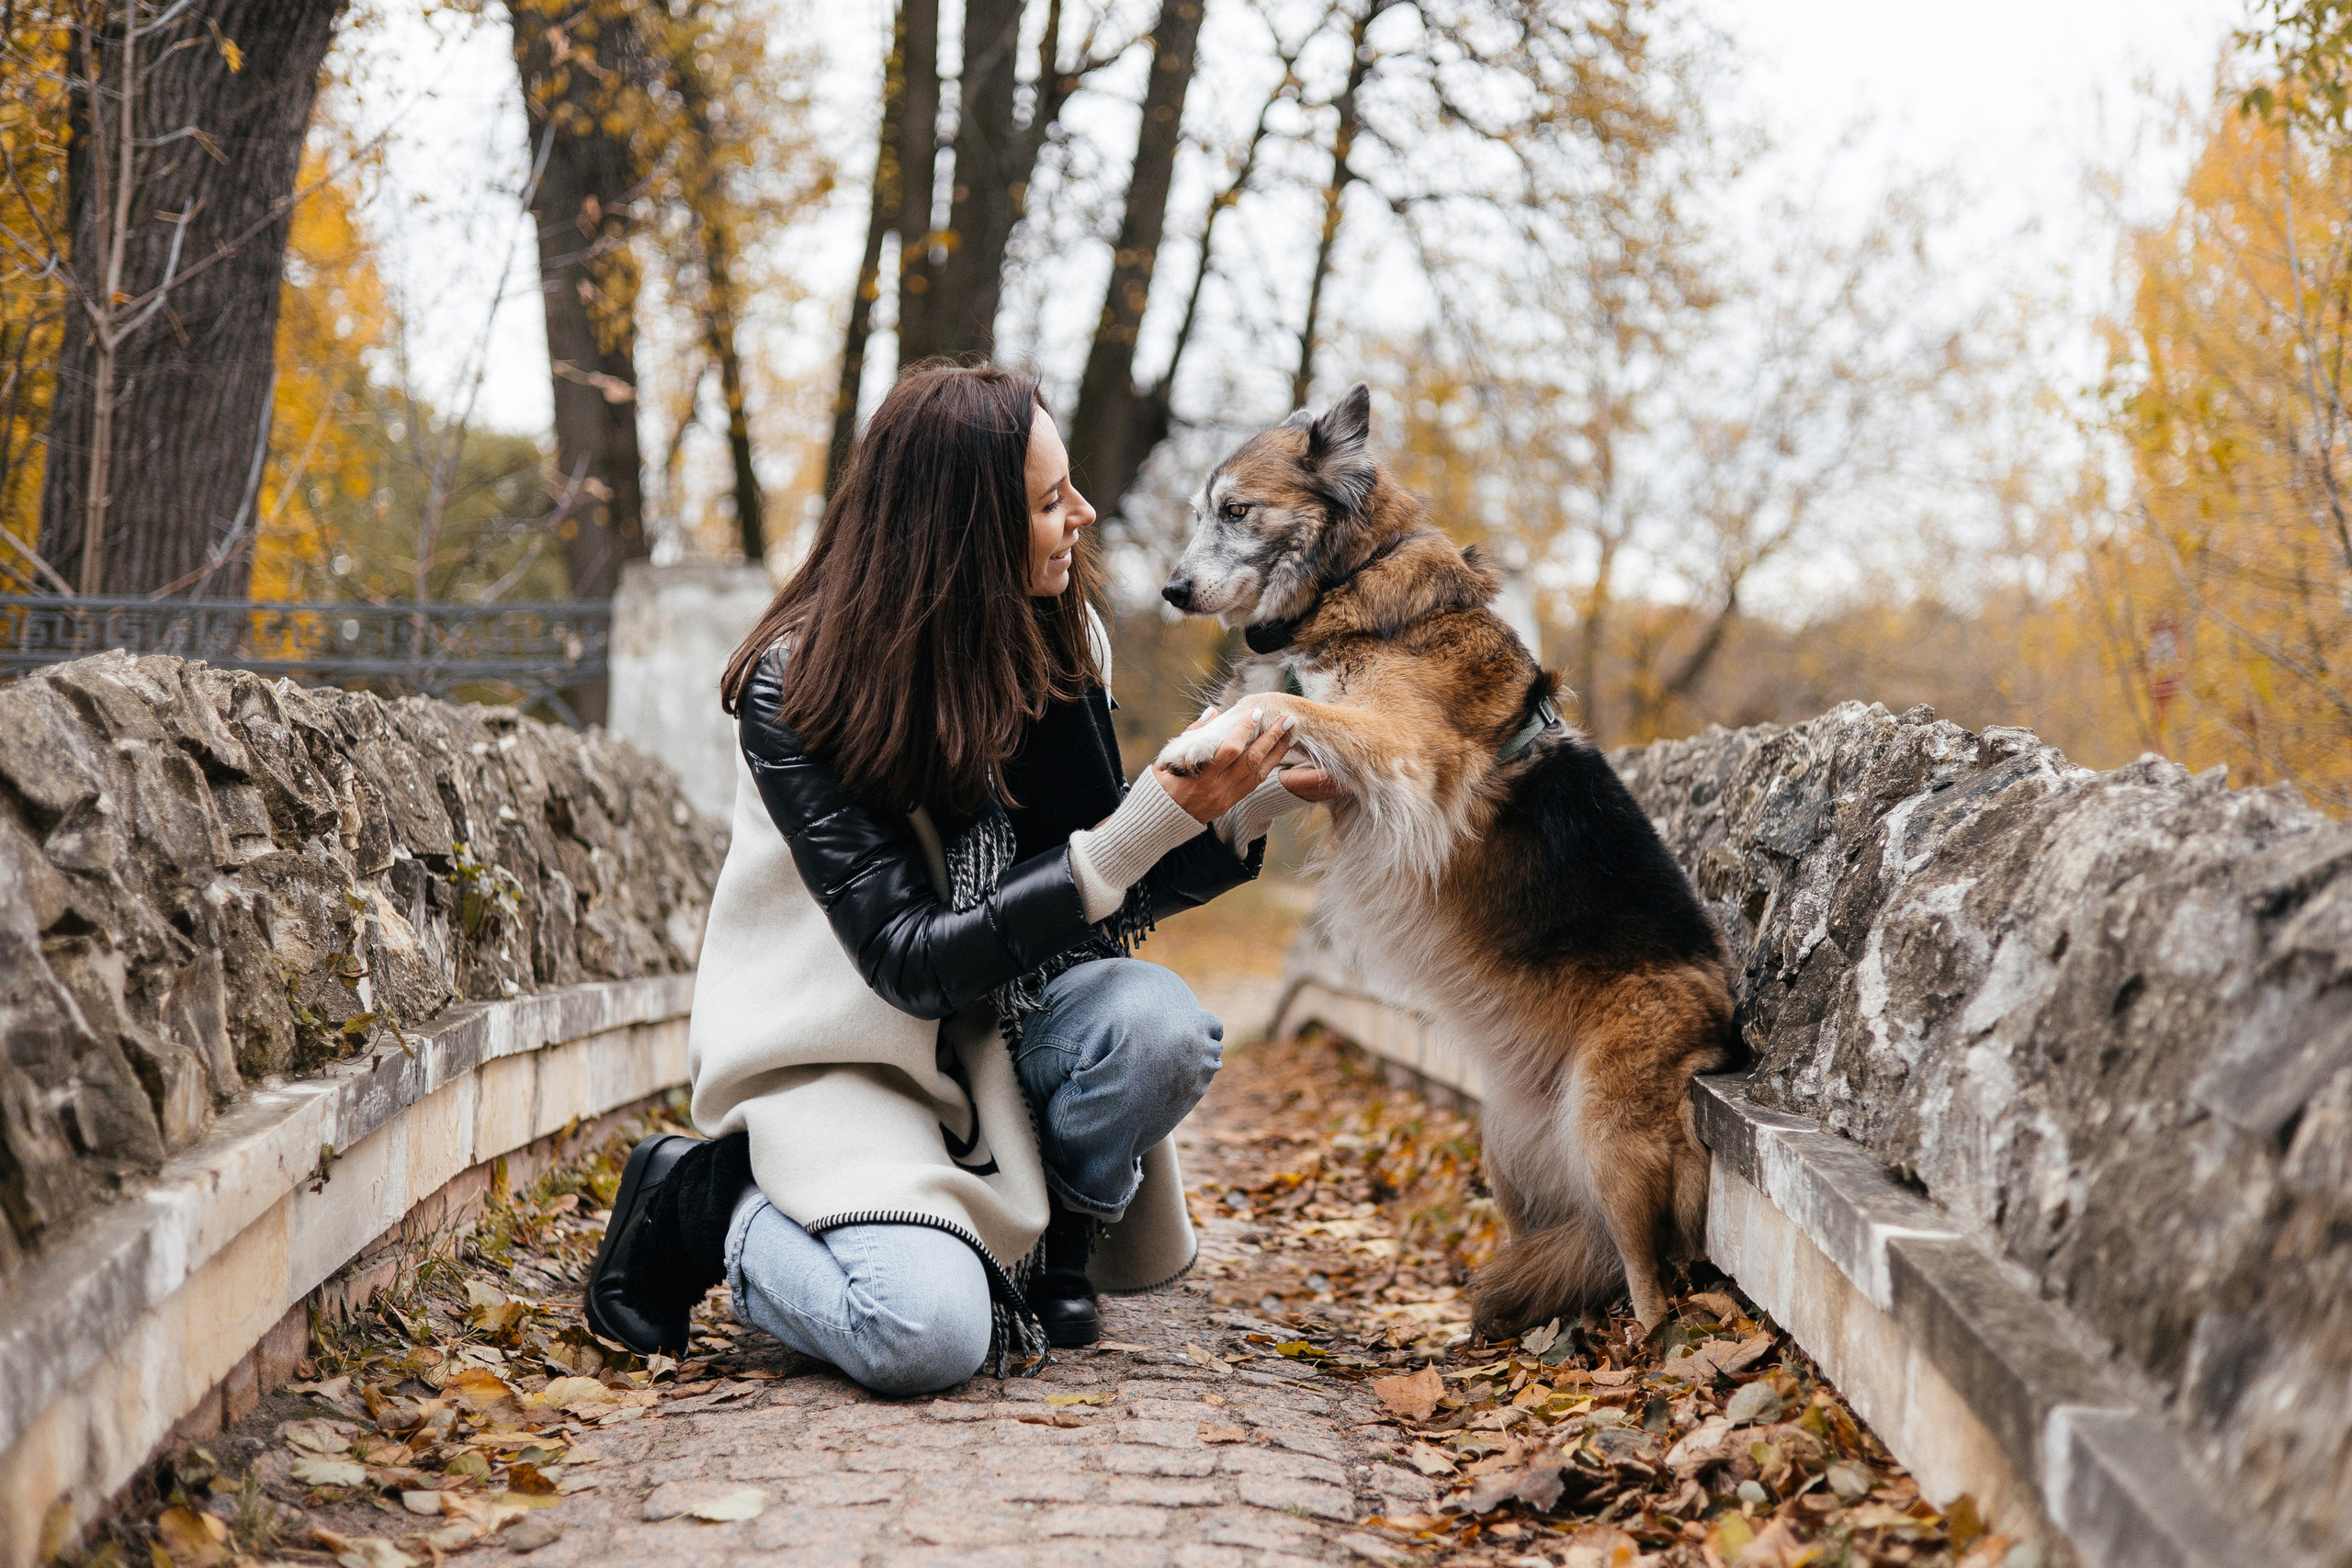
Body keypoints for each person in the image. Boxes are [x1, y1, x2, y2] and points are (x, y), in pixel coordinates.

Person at [581, 364, 1340, 1394]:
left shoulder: (1064, 634)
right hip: (851, 1053)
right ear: (961, 528)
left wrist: (1245, 804)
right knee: (923, 1337)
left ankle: (1048, 1241)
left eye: (1068, 486)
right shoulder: (796, 687)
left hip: (1005, 1023)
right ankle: (719, 1203)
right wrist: (1143, 822)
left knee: (1160, 1029)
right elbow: (909, 965)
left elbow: (1089, 905)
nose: (1080, 515)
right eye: (1044, 501)